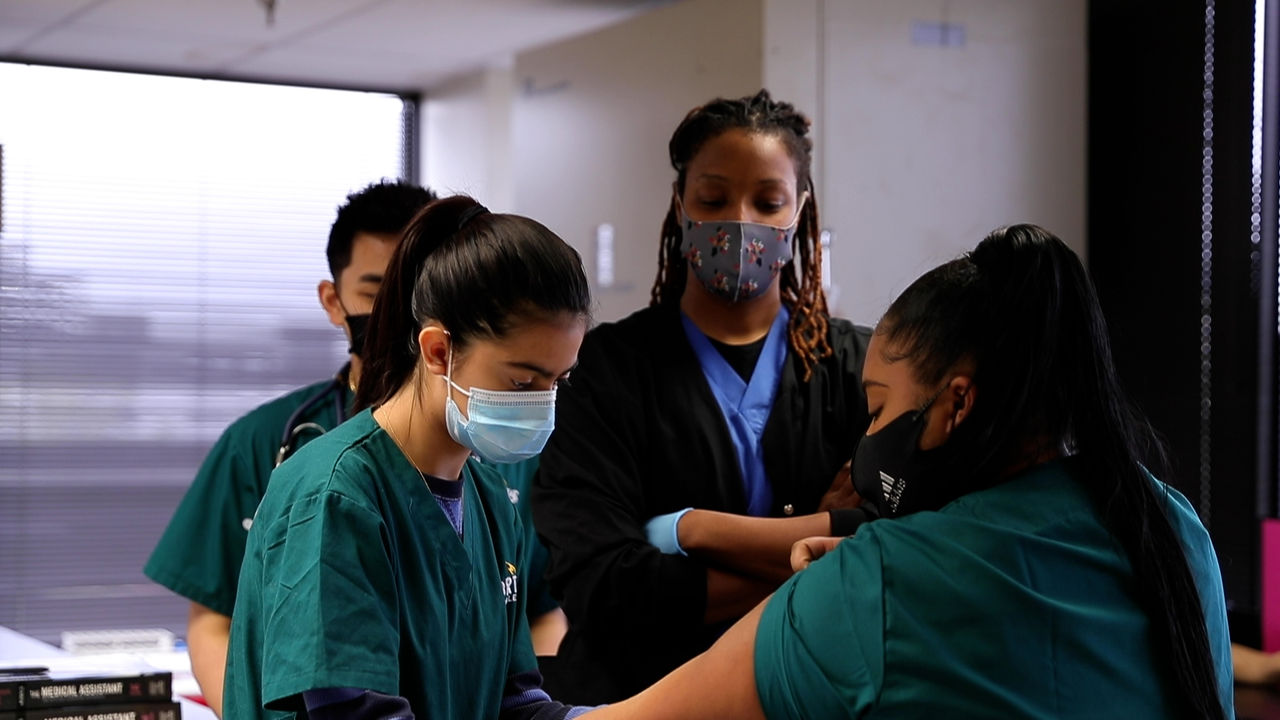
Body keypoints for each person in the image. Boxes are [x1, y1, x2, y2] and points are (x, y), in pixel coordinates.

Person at [578, 225, 1234, 719]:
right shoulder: (1171, 528)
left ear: (956, 405)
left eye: (877, 410)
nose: (867, 442)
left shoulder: (876, 585)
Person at [532, 89, 872, 704]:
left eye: (768, 202)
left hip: (807, 692)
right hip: (637, 698)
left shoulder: (860, 369)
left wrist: (690, 530)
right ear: (680, 205)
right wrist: (816, 548)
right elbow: (603, 587)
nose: (740, 222)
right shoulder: (603, 371)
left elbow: (898, 553)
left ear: (801, 211)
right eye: (713, 200)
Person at [223, 195, 596, 719]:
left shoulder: (491, 501)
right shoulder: (337, 497)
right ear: (438, 350)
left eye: (558, 381)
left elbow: (513, 705)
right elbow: (353, 712)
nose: (540, 403)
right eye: (521, 381)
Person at [143, 179, 435, 716]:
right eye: (377, 292)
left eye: (415, 292)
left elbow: (533, 612)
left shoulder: (492, 450)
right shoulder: (259, 443)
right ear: (333, 300)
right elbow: (215, 620)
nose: (397, 312)